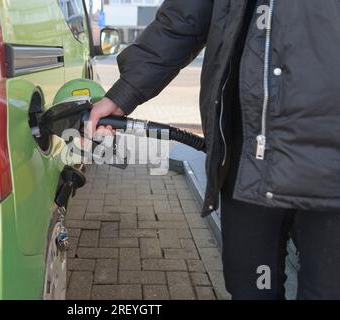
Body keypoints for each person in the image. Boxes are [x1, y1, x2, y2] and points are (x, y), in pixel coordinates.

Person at [89, 0, 340, 300]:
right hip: (247, 158)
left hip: (329, 162)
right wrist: (125, 92)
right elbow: (185, 16)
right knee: (250, 291)